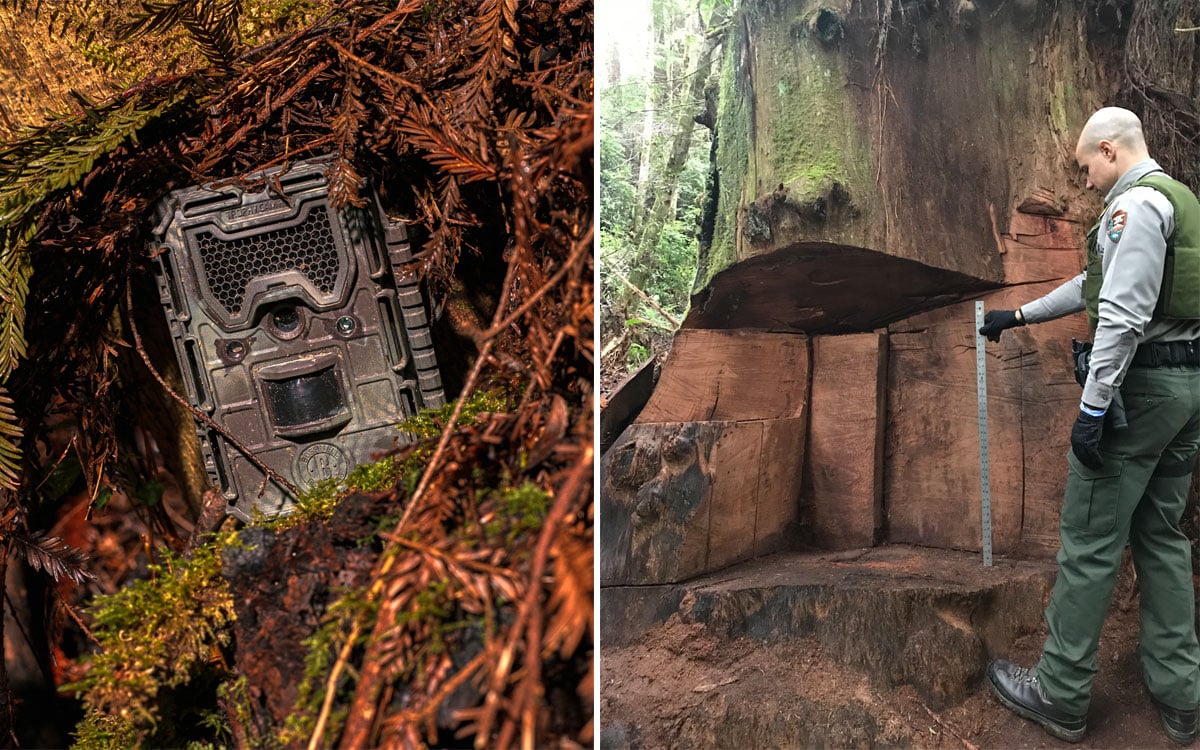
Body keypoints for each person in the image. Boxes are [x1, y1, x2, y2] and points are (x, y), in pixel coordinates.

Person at [978, 106, 1200, 745]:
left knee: (1090, 538)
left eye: (1085, 168)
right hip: (1186, 391)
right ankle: (1180, 694)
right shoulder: (1178, 201)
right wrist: (1018, 316)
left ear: (1109, 150)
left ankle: (1061, 692)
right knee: (1160, 535)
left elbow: (1122, 318)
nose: (1085, 182)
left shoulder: (1135, 209)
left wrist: (1095, 407)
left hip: (1143, 393)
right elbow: (1096, 282)